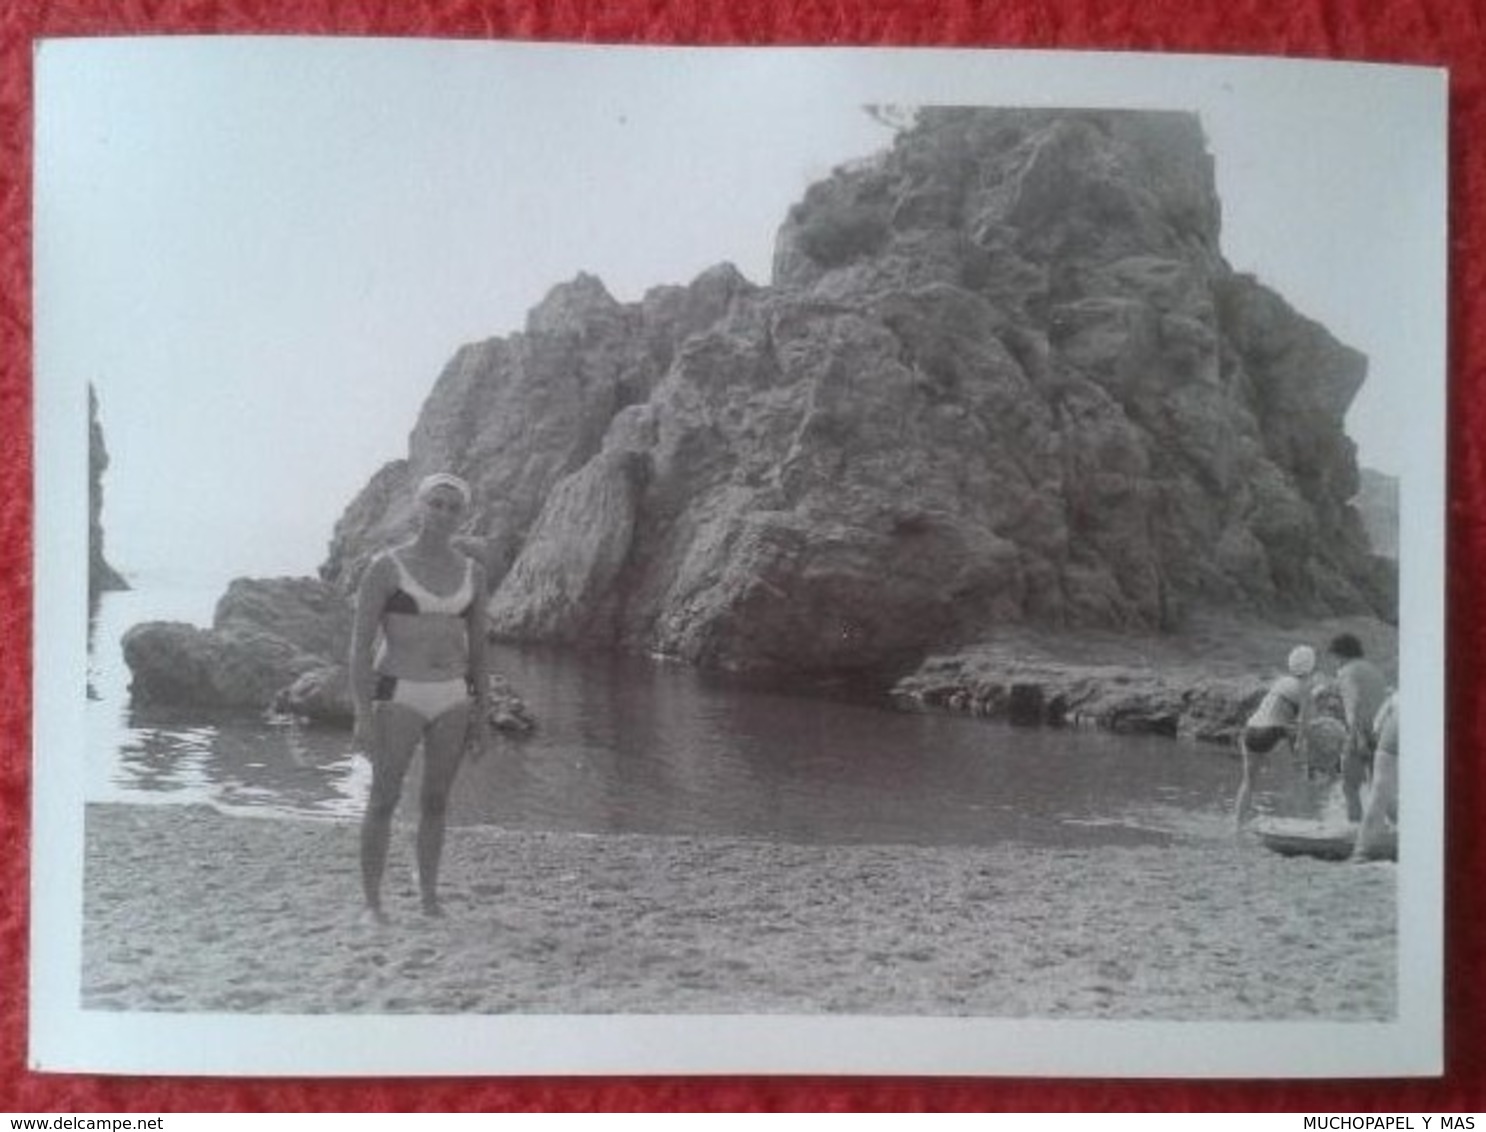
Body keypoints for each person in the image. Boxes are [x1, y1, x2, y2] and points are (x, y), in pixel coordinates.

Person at [350, 472, 492, 922]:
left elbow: (481, 647)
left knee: (435, 801)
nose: (444, 514)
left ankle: (429, 897)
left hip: (453, 695)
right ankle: (373, 904)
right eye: (437, 503)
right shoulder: (386, 567)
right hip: (399, 693)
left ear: (463, 514)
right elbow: (359, 647)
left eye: (454, 507)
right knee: (384, 798)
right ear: (420, 506)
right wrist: (362, 715)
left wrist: (484, 713)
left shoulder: (473, 572)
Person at [1233, 644, 1317, 829]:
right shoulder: (1305, 688)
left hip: (1250, 730)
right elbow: (1305, 724)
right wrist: (1300, 748)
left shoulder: (1281, 682)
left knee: (1248, 783)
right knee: (1288, 782)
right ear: (1311, 667)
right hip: (1273, 732)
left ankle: (1237, 826)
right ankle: (1287, 827)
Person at [1326, 633, 1391, 823]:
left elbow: (1353, 706)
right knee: (1377, 787)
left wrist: (1358, 737)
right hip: (1382, 732)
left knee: (1349, 786)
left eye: (1334, 656)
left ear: (1341, 654)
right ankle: (1386, 829)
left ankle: (1355, 832)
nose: (1333, 660)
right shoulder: (1374, 670)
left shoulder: (1346, 671)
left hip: (1360, 733)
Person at [1353, 690, 1399, 860]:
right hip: (1398, 737)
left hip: (1389, 739)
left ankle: (1362, 850)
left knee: (1379, 796)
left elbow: (1376, 726)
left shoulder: (1396, 696)